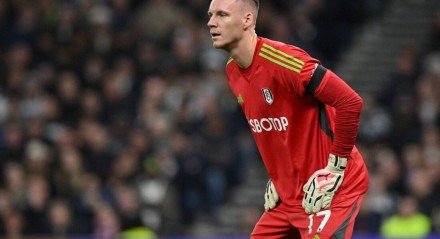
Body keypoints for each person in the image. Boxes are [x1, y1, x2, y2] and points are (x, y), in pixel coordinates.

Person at [207, 0, 369, 238]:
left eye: (222, 14)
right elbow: (276, 128)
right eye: (210, 15)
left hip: (332, 190)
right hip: (291, 195)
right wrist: (278, 177)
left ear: (247, 20)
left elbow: (350, 102)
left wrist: (336, 167)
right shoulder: (232, 71)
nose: (211, 22)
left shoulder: (283, 61)